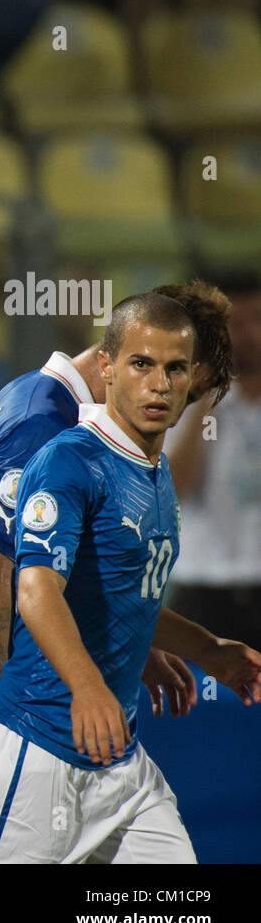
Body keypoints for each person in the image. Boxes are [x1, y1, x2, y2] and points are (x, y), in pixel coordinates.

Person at [0, 281, 236, 863]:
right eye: (147, 365)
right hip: (28, 730)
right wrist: (8, 728)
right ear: (115, 360)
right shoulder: (49, 428)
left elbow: (104, 577)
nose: (166, 392)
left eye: (178, 376)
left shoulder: (137, 457)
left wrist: (162, 643)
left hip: (108, 753)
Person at [166, 275, 261, 652]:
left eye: (259, 320)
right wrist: (203, 396)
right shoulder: (187, 401)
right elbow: (176, 488)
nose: (251, 334)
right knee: (191, 705)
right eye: (237, 325)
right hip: (203, 589)